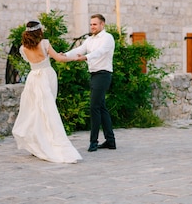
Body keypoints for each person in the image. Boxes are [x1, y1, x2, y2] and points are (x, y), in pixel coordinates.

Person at [12, 21, 82, 164]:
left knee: (35, 111)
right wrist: (76, 58)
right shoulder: (44, 43)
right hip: (46, 75)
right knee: (48, 110)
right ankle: (49, 143)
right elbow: (59, 59)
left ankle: (37, 143)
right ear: (39, 31)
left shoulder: (23, 48)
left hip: (33, 78)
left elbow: (36, 60)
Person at [64, 14, 116, 152]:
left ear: (102, 24)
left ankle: (94, 141)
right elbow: (79, 50)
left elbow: (100, 52)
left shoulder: (108, 38)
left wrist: (86, 58)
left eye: (95, 24)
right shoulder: (89, 40)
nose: (92, 26)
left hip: (103, 74)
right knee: (101, 107)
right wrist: (65, 55)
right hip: (94, 75)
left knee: (94, 107)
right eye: (91, 24)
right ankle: (110, 141)